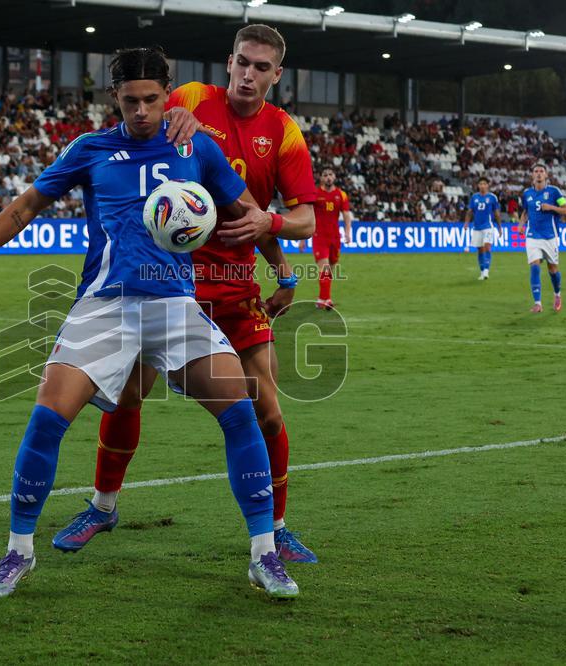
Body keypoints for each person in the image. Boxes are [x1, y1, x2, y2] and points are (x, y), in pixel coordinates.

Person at [0, 47, 302, 599]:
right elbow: (25, 206)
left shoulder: (196, 145)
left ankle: (263, 555)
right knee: (45, 421)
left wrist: (282, 269)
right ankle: (18, 551)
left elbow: (248, 213)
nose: (140, 111)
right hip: (104, 306)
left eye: (151, 100)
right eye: (130, 101)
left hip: (176, 307)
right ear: (115, 98)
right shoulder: (90, 149)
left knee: (241, 413)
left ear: (168, 94)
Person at [53, 24, 320, 564]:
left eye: (262, 67)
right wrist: (179, 116)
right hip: (167, 283)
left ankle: (277, 526)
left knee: (265, 407)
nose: (249, 74)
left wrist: (283, 269)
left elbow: (299, 218)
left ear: (277, 75)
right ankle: (103, 507)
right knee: (129, 394)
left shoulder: (285, 133)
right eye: (242, 62)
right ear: (229, 62)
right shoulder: (190, 100)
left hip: (237, 287)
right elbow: (137, 121)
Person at [519, 164, 566, 313]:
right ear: (532, 175)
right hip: (532, 235)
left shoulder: (554, 192)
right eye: (536, 171)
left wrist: (551, 208)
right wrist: (521, 224)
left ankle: (557, 294)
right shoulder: (527, 193)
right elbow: (525, 212)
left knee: (552, 269)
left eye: (542, 171)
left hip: (550, 236)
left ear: (546, 175)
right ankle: (537, 303)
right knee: (534, 266)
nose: (539, 174)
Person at [312, 167, 352, 308]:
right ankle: (327, 300)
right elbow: (308, 215)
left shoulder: (341, 195)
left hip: (335, 237)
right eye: (325, 175)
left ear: (334, 177)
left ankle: (321, 299)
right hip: (319, 237)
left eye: (330, 174)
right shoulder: (315, 193)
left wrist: (347, 232)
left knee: (331, 270)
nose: (328, 177)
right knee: (325, 268)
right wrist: (303, 238)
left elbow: (346, 215)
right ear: (321, 178)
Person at [464, 176, 503, 280]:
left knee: (487, 247)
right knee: (480, 250)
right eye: (480, 184)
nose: (482, 186)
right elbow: (470, 211)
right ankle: (482, 271)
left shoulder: (492, 197)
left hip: (488, 226)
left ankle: (486, 271)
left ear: (487, 185)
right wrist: (466, 223)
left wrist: (499, 227)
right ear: (478, 185)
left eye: (484, 184)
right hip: (477, 227)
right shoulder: (474, 197)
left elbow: (497, 213)